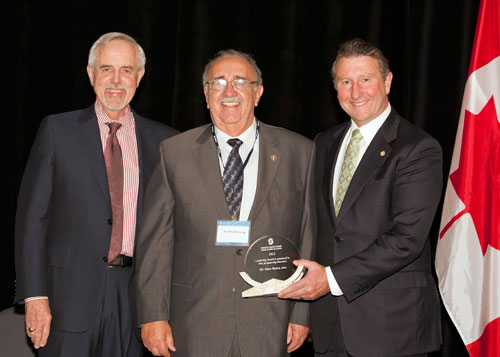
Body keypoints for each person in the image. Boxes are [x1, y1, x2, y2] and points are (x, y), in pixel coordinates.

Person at [135, 49, 315, 357]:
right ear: (206, 96)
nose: (229, 92)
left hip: (270, 319)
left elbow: (307, 235)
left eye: (240, 82)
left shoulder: (299, 151)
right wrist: (152, 315)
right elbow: (155, 245)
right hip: (193, 321)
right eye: (217, 83)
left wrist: (301, 314)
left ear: (257, 93)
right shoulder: (174, 153)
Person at [14, 32, 178, 357]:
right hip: (67, 299)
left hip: (135, 302)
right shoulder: (57, 131)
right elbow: (32, 220)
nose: (116, 80)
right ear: (90, 74)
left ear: (140, 77)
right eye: (106, 69)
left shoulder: (166, 143)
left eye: (126, 70)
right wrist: (34, 296)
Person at [278, 38, 442, 356]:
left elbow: (407, 239)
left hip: (392, 328)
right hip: (329, 326)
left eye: (365, 80)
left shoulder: (417, 148)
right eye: (345, 82)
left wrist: (331, 278)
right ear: (335, 88)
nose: (356, 92)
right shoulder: (323, 143)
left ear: (387, 81)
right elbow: (314, 227)